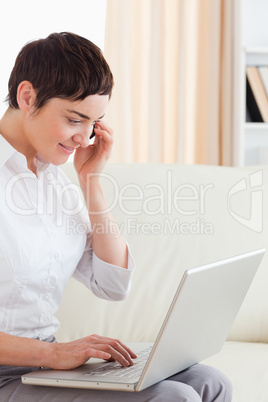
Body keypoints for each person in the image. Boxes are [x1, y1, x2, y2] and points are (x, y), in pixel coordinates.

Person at [0, 32, 232, 401]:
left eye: (94, 123)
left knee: (208, 381)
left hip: (45, 365)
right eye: (75, 119)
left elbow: (112, 284)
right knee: (174, 397)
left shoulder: (54, 181)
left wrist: (91, 182)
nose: (85, 137)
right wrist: (54, 353)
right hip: (10, 373)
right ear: (28, 97)